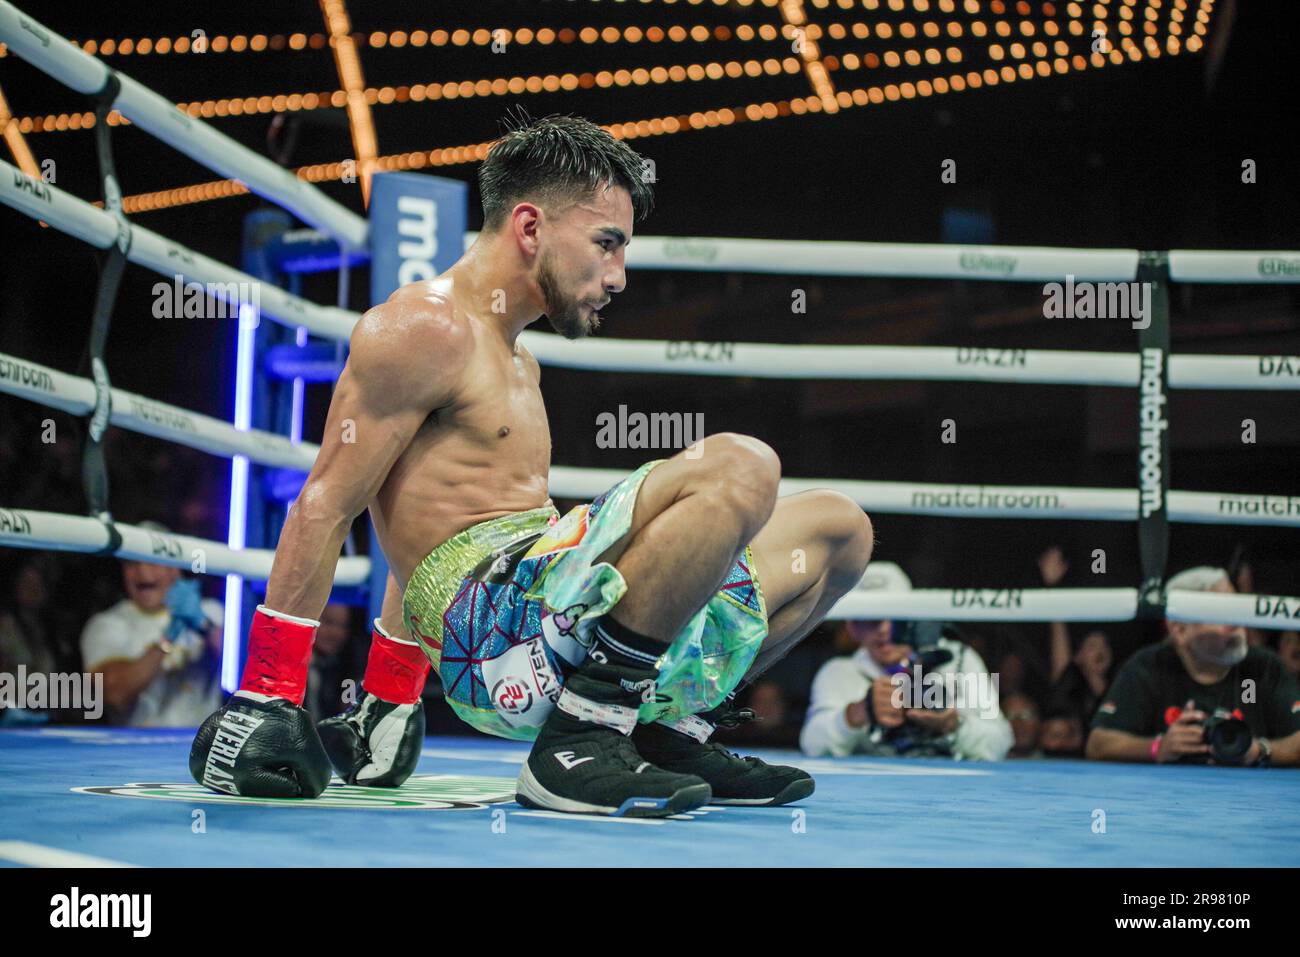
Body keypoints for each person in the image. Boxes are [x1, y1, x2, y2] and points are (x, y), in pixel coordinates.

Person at [191, 112, 874, 817]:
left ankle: (664, 733)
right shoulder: (425, 327)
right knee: (741, 465)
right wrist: (266, 693)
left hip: (539, 614)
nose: (619, 276)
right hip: (494, 644)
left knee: (840, 530)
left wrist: (388, 695)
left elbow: (418, 515)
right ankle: (577, 745)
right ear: (529, 227)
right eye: (606, 244)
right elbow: (329, 504)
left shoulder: (519, 357)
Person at [1086, 566, 1300, 766]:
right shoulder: (1148, 666)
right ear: (1180, 630)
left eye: (1239, 610)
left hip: (1255, 799)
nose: (1237, 625)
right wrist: (1157, 747)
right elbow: (1097, 743)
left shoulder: (1263, 667)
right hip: (1164, 798)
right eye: (1223, 615)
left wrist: (1259, 751)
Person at [799, 562, 1012, 760]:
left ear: (913, 617)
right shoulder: (838, 672)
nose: (885, 630)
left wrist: (954, 725)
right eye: (871, 619)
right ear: (853, 627)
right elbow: (812, 745)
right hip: (875, 792)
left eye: (896, 617)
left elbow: (1001, 740)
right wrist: (858, 713)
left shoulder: (961, 659)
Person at [81, 542, 224, 726]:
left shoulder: (210, 612)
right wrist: (168, 638)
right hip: (136, 749)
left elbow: (249, 665)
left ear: (175, 569)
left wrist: (204, 625)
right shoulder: (107, 624)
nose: (143, 571)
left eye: (153, 562)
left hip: (201, 745)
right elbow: (115, 694)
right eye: (132, 564)